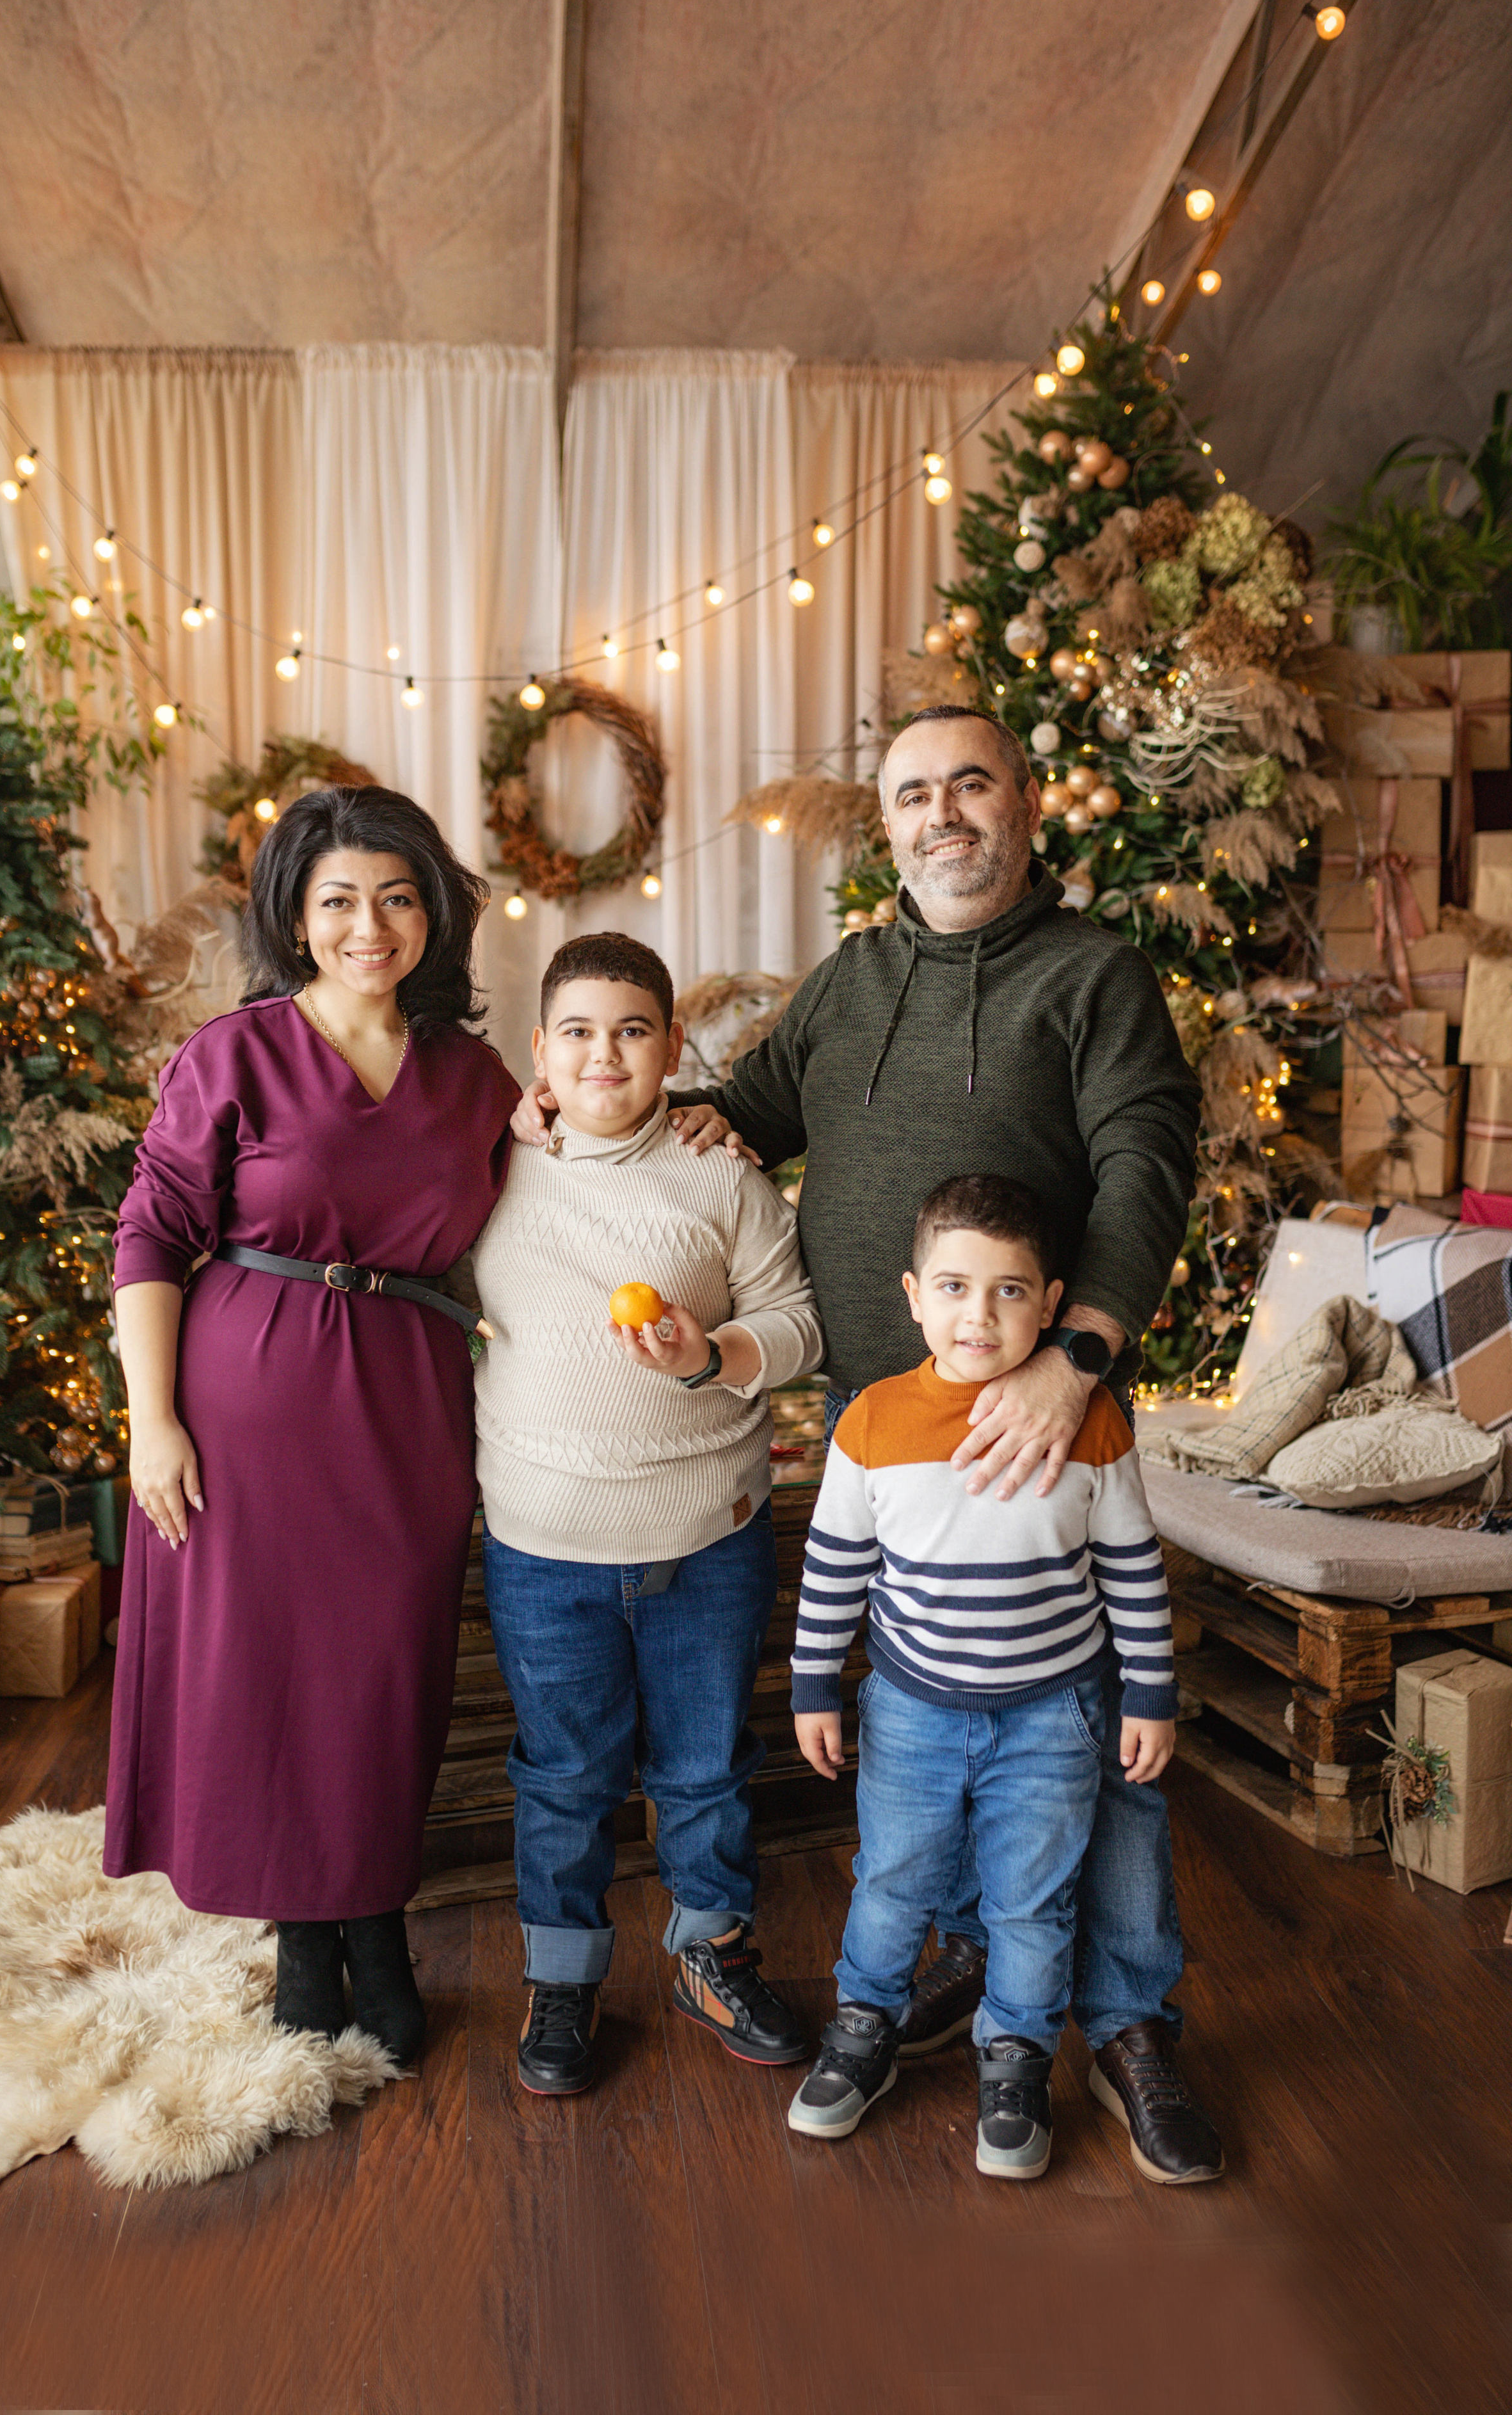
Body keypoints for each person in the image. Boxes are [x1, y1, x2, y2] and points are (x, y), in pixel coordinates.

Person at [511, 702, 1223, 2182]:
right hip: (880, 1433)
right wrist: (586, 1095)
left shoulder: (1090, 977)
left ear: (1023, 801)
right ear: (885, 821)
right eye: (912, 794)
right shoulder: (852, 980)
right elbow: (741, 1114)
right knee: (933, 1716)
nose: (941, 813)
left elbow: (1146, 1167)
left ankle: (1134, 2021)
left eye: (972, 781)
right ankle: (975, 1970)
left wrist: (1075, 1360)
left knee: (1090, 1723)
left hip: (1042, 1411)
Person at [107, 785, 519, 2067]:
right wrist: (150, 1421)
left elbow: (550, 1197)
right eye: (338, 898)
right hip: (243, 1402)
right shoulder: (231, 1054)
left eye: (396, 897)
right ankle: (302, 1936)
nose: (368, 924)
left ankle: (376, 1924)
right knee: (266, 1673)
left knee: (381, 1676)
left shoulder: (474, 1074)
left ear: (433, 913)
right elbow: (151, 1235)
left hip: (404, 1405)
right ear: (293, 914)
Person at [468, 932, 823, 2096]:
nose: (604, 1053)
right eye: (576, 1030)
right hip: (542, 1540)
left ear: (673, 1048)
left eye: (631, 1030)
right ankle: (563, 1978)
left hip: (707, 1537)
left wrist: (712, 1350)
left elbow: (798, 1323)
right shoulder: (487, 1166)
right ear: (540, 1053)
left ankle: (711, 1955)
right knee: (563, 1776)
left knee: (707, 1766)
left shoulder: (722, 1176)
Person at [786, 1175, 1186, 2182]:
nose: (981, 1315)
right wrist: (812, 1687)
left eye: (1010, 1292)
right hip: (913, 1711)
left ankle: (1014, 2062)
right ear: (914, 1296)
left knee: (1031, 1904)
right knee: (892, 1882)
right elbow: (835, 1570)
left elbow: (1133, 1572)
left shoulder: (1090, 1426)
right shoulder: (872, 1424)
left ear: (1052, 1305)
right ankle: (864, 2027)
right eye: (956, 1288)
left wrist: (1148, 1692)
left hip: (1054, 1718)